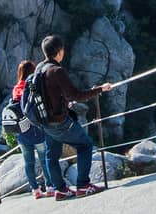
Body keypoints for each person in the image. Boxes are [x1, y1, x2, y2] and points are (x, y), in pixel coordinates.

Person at [33, 34, 112, 199]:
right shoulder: (57, 71)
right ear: (59, 52)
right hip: (60, 122)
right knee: (85, 145)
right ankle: (83, 185)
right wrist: (100, 89)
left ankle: (60, 190)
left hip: (45, 122)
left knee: (51, 156)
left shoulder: (39, 69)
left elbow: (48, 95)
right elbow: (77, 95)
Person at [8, 60, 50, 199]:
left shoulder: (16, 89)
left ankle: (35, 190)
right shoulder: (32, 86)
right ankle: (50, 186)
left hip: (21, 131)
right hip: (36, 129)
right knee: (44, 159)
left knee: (28, 162)